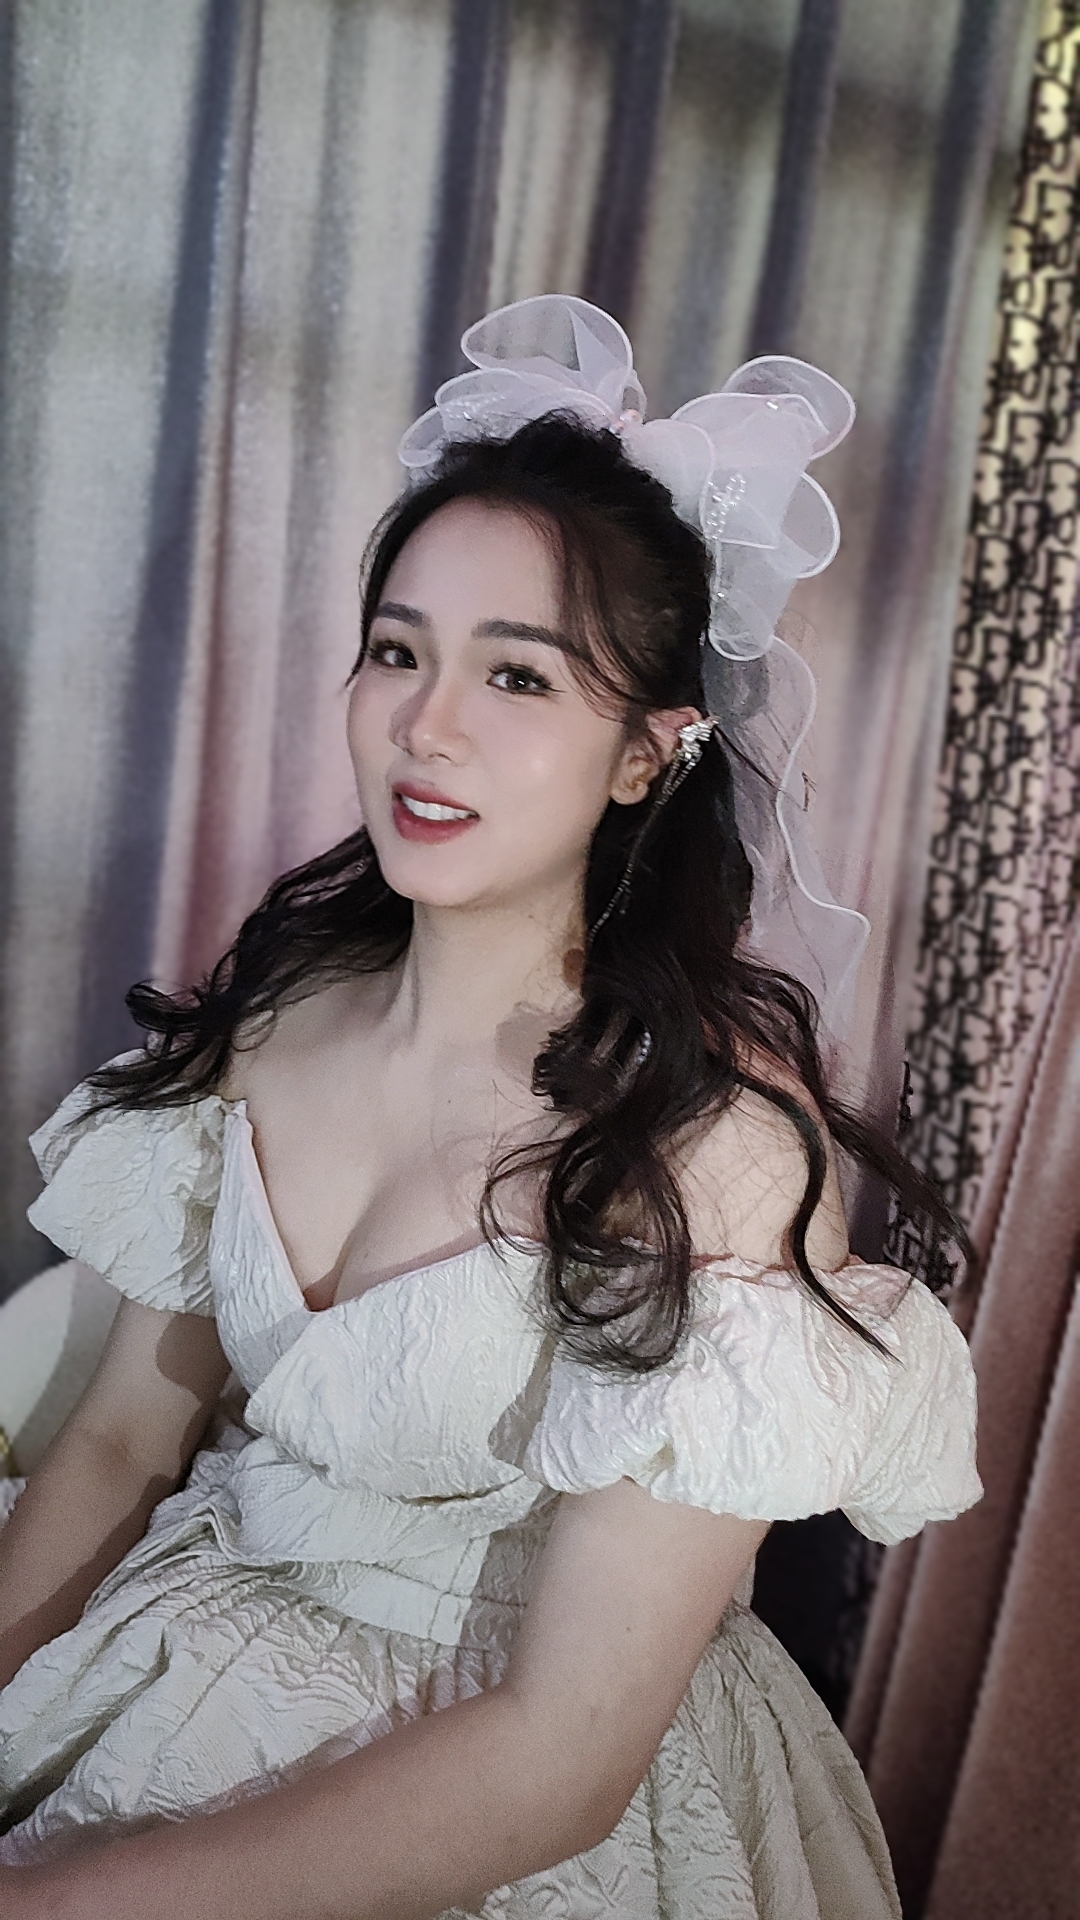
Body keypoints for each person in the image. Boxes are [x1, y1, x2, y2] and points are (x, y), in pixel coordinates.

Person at [0, 297, 980, 1920]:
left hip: (513, 1805)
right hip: (183, 1658)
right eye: (399, 650)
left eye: (517, 675)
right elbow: (116, 1443)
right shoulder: (278, 1019)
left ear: (646, 755)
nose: (424, 725)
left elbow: (559, 1754)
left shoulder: (712, 1146)